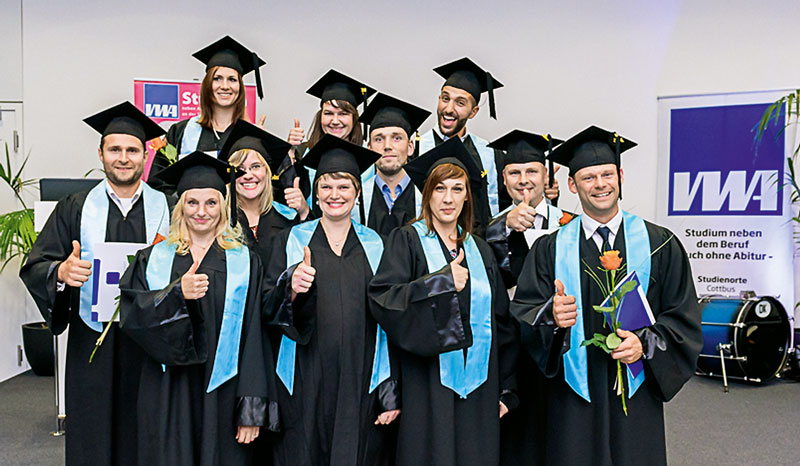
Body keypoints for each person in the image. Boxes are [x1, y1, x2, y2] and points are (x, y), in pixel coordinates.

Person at [510, 126, 703, 466]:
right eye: (588, 177)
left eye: (606, 175)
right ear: (572, 185)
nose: (599, 184)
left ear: (620, 177)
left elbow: (683, 316)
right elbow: (524, 313)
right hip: (572, 396)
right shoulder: (549, 249)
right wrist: (551, 317)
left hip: (635, 389)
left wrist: (646, 344)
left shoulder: (660, 244)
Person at [19, 101, 170, 466]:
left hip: (147, 343)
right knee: (92, 431)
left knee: (145, 427)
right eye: (114, 149)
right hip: (93, 341)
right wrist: (60, 273)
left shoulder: (167, 206)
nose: (123, 158)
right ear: (100, 153)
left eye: (132, 150)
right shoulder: (75, 207)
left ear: (144, 155)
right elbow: (36, 263)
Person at [369, 137, 519, 466]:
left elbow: (501, 321)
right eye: (439, 189)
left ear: (468, 196)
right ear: (427, 193)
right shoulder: (406, 240)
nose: (448, 199)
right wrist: (439, 282)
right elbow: (383, 300)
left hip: (481, 388)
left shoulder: (480, 250)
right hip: (425, 387)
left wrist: (507, 388)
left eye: (457, 189)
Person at [119, 152, 274, 466]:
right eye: (192, 202)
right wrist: (176, 294)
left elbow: (255, 336)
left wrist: (251, 406)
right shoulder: (153, 259)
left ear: (224, 207)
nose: (201, 212)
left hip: (224, 393)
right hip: (167, 392)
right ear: (180, 207)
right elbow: (133, 316)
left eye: (211, 203)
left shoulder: (245, 262)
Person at [263, 135, 399, 466]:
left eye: (343, 187)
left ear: (357, 192)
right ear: (316, 192)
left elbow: (393, 319)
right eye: (326, 186)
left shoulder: (377, 246)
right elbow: (266, 306)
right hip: (303, 375)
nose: (334, 195)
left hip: (362, 373)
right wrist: (290, 287)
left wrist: (391, 390)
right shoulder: (291, 240)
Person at [416, 57, 504, 235]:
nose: (449, 109)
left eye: (460, 103)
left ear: (473, 112)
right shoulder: (416, 150)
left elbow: (507, 206)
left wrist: (547, 193)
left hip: (477, 248)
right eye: (445, 99)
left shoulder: (491, 155)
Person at [155, 35, 266, 169]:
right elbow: (160, 184)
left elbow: (273, 184)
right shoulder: (180, 132)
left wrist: (291, 151)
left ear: (240, 88)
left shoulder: (252, 136)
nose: (225, 86)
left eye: (232, 79)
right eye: (217, 78)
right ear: (207, 85)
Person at [282, 69, 376, 220]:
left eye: (343, 114)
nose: (335, 121)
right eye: (329, 113)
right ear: (320, 116)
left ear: (354, 119)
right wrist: (288, 152)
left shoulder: (370, 157)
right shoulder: (303, 153)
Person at [485, 130, 566, 290]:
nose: (523, 180)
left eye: (532, 172)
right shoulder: (490, 230)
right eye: (514, 173)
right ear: (504, 178)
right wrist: (505, 226)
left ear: (545, 175)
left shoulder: (568, 222)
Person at [217, 119, 307, 264]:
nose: (248, 175)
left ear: (268, 172)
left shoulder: (287, 218)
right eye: (239, 168)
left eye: (256, 166)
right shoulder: (218, 221)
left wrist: (304, 213)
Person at [357, 92, 430, 235]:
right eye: (379, 139)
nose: (387, 146)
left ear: (410, 147)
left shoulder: (427, 196)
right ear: (369, 148)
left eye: (396, 138)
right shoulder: (356, 198)